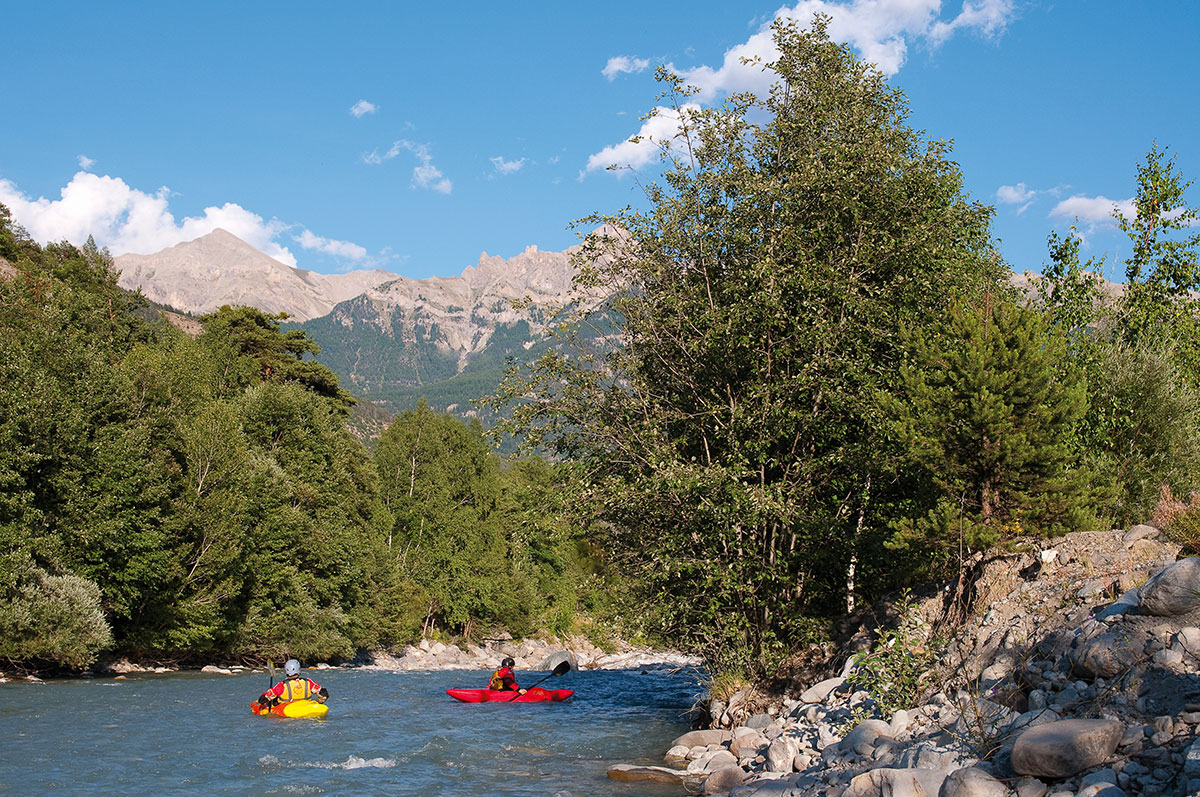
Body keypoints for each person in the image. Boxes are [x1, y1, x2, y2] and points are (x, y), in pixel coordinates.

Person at [257, 659, 328, 709]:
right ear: (298, 669)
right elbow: (324, 694)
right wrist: (318, 703)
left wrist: (263, 699)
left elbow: (263, 699)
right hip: (306, 706)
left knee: (275, 699)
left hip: (287, 708)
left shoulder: (281, 685)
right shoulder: (308, 682)